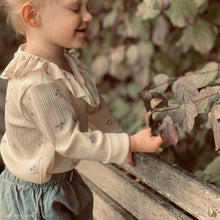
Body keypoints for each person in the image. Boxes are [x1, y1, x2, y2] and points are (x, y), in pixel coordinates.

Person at [0, 0, 163, 219]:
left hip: (65, 183)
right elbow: (69, 142)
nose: (88, 16)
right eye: (75, 8)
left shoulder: (67, 65)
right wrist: (130, 143)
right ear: (32, 15)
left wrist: (121, 143)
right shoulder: (37, 82)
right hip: (39, 198)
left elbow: (94, 108)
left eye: (87, 7)